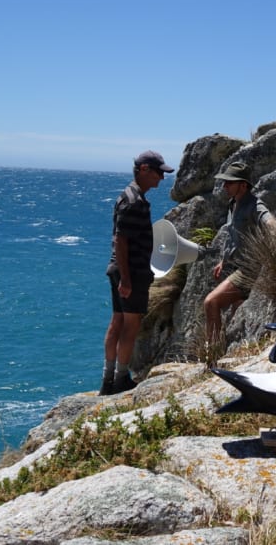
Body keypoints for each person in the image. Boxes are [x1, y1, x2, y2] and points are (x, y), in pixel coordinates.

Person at [100, 150, 174, 395]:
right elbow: (122, 241)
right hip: (131, 272)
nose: (161, 179)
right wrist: (127, 279)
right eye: (158, 173)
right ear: (144, 169)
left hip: (120, 270)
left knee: (117, 322)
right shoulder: (134, 202)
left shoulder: (128, 196)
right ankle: (121, 379)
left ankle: (108, 379)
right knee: (130, 326)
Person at [203, 161, 276, 345]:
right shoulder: (233, 204)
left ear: (243, 185)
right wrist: (223, 261)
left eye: (229, 182)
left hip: (249, 270)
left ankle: (211, 356)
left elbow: (269, 222)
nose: (225, 186)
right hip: (236, 266)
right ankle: (230, 349)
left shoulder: (254, 204)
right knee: (235, 312)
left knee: (211, 303)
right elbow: (233, 236)